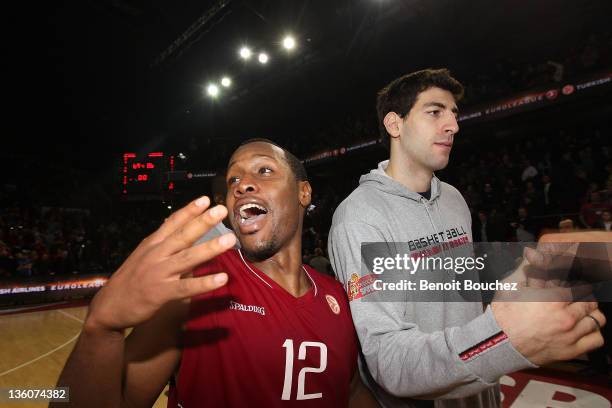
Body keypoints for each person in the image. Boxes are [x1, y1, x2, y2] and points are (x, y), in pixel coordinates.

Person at [328, 68, 606, 407]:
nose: (453, 126)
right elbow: (390, 361)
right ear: (394, 124)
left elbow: (459, 296)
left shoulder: (454, 199)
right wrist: (503, 338)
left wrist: (506, 293)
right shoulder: (360, 217)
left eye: (454, 115)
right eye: (434, 112)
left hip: (481, 394)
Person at [53, 140, 378, 408]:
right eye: (233, 179)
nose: (241, 185)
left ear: (303, 193)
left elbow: (349, 391)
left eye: (264, 170)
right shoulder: (195, 290)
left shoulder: (337, 296)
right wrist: (101, 330)